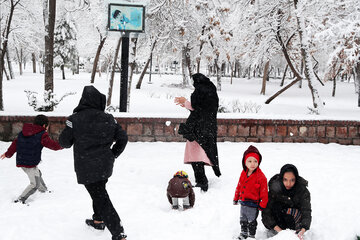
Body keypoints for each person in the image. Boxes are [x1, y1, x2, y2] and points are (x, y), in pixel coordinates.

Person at [59, 86, 128, 240]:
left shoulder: (74, 119)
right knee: (99, 191)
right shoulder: (109, 118)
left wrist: (70, 127)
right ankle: (98, 220)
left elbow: (64, 142)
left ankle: (118, 232)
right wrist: (113, 154)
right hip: (104, 165)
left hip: (86, 166)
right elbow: (123, 138)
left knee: (101, 197)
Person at [0, 114, 62, 204]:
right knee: (34, 184)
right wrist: (63, 144)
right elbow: (53, 146)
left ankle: (43, 190)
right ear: (44, 126)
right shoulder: (42, 135)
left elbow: (15, 143)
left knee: (37, 173)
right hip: (29, 163)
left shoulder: (24, 132)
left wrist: (8, 153)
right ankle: (20, 200)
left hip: (23, 160)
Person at [175, 73, 221, 192]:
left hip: (198, 130)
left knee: (196, 155)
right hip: (207, 128)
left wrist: (185, 102)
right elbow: (201, 109)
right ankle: (201, 180)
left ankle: (202, 181)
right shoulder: (210, 91)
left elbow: (198, 108)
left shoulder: (201, 91)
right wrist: (186, 104)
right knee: (201, 154)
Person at [261, 164, 311, 240]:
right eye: (285, 180)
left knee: (296, 212)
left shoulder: (302, 191)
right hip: (277, 221)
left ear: (296, 179)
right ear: (281, 179)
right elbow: (266, 212)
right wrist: (281, 232)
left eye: (292, 180)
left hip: (294, 221)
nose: (288, 184)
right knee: (275, 206)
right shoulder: (275, 188)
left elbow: (306, 211)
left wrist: (302, 230)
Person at [233, 145, 268, 239]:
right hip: (243, 202)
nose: (253, 164)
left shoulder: (261, 177)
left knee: (251, 221)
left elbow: (264, 193)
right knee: (243, 219)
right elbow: (239, 186)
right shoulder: (243, 173)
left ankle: (251, 235)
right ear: (245, 162)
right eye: (249, 161)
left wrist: (262, 205)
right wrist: (236, 198)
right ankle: (243, 233)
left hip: (253, 204)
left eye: (255, 161)